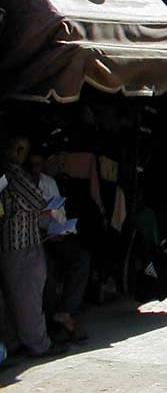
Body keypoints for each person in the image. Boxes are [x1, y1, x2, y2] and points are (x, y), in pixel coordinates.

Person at [0, 135, 65, 358]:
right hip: (22, 243)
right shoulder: (14, 174)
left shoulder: (6, 175)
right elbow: (37, 200)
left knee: (14, 297)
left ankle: (15, 343)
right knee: (28, 298)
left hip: (12, 243)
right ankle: (39, 345)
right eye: (20, 149)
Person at [29, 150, 91, 343]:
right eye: (33, 165)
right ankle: (56, 319)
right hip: (33, 240)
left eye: (39, 165)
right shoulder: (19, 184)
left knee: (81, 259)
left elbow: (59, 212)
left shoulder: (49, 182)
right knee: (47, 270)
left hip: (53, 236)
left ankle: (65, 312)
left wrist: (60, 230)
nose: (36, 169)